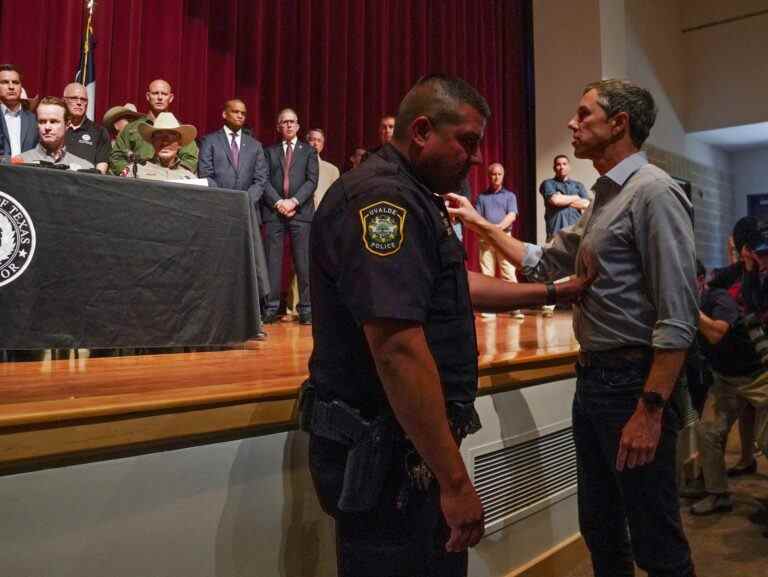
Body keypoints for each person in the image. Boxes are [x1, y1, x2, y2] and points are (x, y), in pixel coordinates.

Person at [304, 74, 592, 577]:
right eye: (468, 142)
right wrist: (456, 483)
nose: (477, 158)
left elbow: (454, 283)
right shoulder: (383, 200)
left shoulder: (414, 193)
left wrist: (550, 291)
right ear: (420, 131)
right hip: (390, 457)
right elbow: (397, 349)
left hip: (407, 451)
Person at [448, 79, 698, 577]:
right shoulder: (607, 196)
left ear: (619, 124)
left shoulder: (653, 193)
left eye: (584, 115)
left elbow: (678, 316)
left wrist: (650, 409)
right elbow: (542, 262)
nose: (571, 124)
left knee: (656, 544)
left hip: (633, 386)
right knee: (602, 534)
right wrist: (478, 224)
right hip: (595, 384)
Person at [691, 226, 768, 515]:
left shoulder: (718, 297)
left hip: (758, 374)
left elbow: (716, 333)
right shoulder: (728, 278)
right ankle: (717, 493)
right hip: (726, 376)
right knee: (708, 430)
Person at [198, 98, 269, 339]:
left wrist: (245, 201)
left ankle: (254, 322)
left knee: (252, 268)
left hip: (248, 214)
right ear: (224, 114)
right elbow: (205, 174)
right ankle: (217, 322)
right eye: (235, 112)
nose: (240, 116)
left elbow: (261, 179)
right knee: (220, 268)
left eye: (243, 113)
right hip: (219, 214)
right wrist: (227, 202)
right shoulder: (209, 141)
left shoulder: (255, 146)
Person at [261, 108, 318, 325]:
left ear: (298, 126)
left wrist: (293, 202)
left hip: (300, 213)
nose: (289, 125)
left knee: (303, 264)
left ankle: (306, 309)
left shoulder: (308, 151)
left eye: (292, 122)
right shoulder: (269, 151)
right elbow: (263, 180)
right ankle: (271, 308)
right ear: (278, 127)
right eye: (284, 122)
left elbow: (311, 181)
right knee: (272, 263)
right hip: (274, 212)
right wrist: (278, 202)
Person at [109, 79, 198, 175]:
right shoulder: (131, 128)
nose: (159, 97)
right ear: (148, 96)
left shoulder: (179, 130)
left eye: (164, 94)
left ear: (171, 98)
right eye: (155, 93)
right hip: (138, 182)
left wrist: (172, 175)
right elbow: (116, 156)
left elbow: (190, 159)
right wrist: (132, 173)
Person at [475, 163, 522, 319]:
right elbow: (478, 218)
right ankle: (489, 309)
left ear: (503, 175)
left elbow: (512, 215)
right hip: (485, 238)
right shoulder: (482, 197)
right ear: (489, 176)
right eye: (493, 174)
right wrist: (489, 230)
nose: (496, 177)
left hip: (504, 237)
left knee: (508, 272)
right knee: (487, 273)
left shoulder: (510, 196)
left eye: (499, 174)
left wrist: (497, 228)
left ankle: (515, 307)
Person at [16, 96, 93, 170]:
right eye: (42, 122)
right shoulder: (20, 163)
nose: (47, 127)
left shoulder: (85, 167)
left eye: (53, 122)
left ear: (67, 124)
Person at [124, 112, 197, 181]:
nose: (164, 142)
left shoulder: (189, 178)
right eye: (159, 136)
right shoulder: (136, 171)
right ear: (152, 141)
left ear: (179, 143)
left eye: (171, 137)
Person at [539, 154, 590, 241]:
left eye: (564, 164)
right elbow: (555, 201)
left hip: (576, 232)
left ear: (569, 167)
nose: (561, 167)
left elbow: (586, 204)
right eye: (558, 164)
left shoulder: (578, 185)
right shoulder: (548, 183)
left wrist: (562, 198)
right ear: (554, 168)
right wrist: (577, 197)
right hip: (556, 232)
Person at [62, 83, 110, 174]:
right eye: (74, 98)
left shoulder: (100, 132)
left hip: (84, 185)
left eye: (83, 99)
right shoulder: (55, 128)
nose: (79, 102)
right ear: (64, 100)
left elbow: (100, 172)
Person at [0, 64, 38, 157]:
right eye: (5, 82)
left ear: (21, 88)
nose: (11, 86)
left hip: (26, 171)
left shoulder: (34, 120)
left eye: (15, 82)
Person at [306, 128, 340, 208]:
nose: (315, 144)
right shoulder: (296, 166)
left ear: (322, 145)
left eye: (319, 141)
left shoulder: (332, 170)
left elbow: (335, 197)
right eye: (312, 140)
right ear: (306, 143)